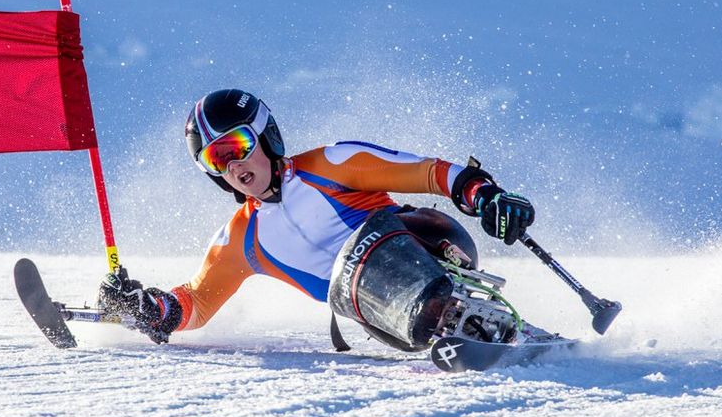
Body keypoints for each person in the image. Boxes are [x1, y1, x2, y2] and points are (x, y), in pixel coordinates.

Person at [98, 88, 535, 349]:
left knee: (374, 254)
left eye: (237, 146)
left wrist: (481, 193)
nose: (233, 166)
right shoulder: (242, 239)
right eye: (216, 159)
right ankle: (450, 322)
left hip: (426, 243)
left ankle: (478, 314)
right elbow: (197, 301)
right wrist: (155, 310)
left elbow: (426, 172)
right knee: (356, 277)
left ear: (265, 136)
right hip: (385, 310)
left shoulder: (330, 165)